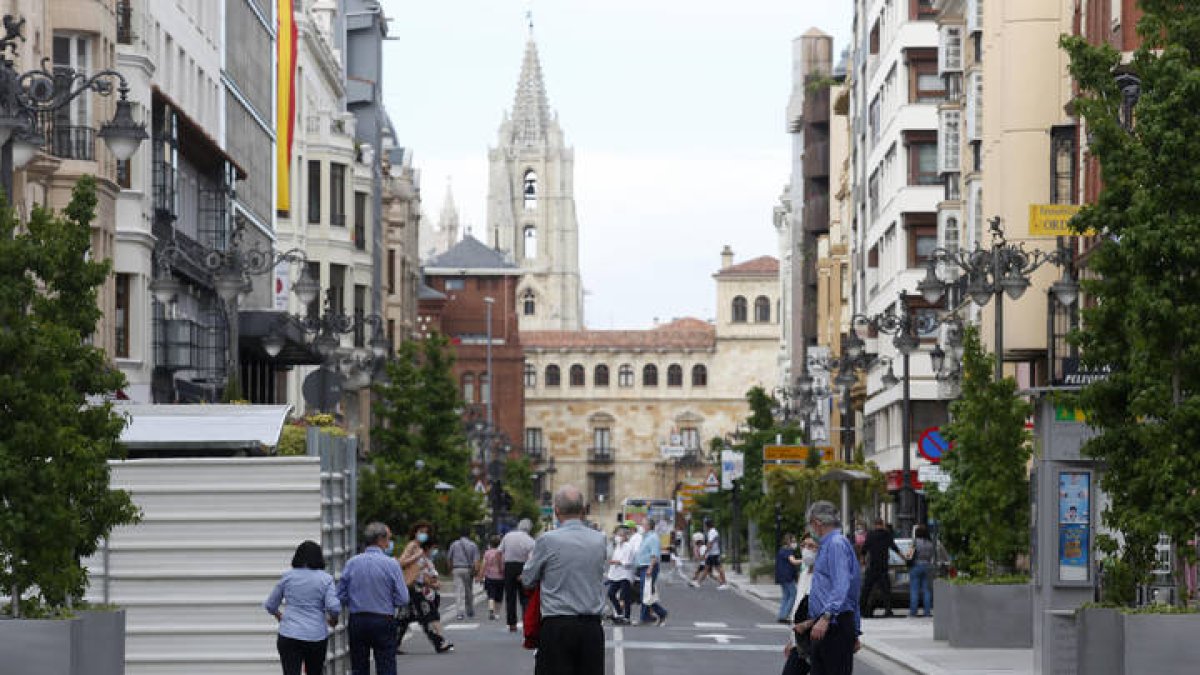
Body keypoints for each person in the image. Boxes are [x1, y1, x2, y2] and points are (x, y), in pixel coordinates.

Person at [521, 485, 607, 675]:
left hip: (557, 626)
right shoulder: (599, 540)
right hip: (591, 627)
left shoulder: (547, 540)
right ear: (583, 511)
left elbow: (528, 579)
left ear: (556, 510)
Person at [337, 522, 409, 675]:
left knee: (359, 665)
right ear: (381, 539)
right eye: (389, 538)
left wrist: (354, 600)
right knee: (386, 664)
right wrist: (389, 600)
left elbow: (340, 595)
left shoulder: (352, 563)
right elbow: (403, 598)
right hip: (383, 619)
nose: (389, 542)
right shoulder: (391, 564)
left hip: (358, 620)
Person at [800, 501, 861, 675]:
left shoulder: (836, 544)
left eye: (810, 524)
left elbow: (842, 586)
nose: (811, 529)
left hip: (832, 625)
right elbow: (853, 589)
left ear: (817, 523)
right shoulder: (830, 544)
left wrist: (826, 617)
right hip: (826, 625)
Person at [264, 540, 341, 675]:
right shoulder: (326, 579)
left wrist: (280, 617)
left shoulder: (288, 577)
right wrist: (333, 620)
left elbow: (270, 604)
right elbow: (334, 607)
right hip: (315, 636)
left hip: (289, 634)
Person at [396, 523, 453, 654]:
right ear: (415, 532)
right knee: (426, 614)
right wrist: (417, 556)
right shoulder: (412, 546)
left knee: (404, 617)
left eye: (426, 532)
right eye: (421, 531)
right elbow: (401, 562)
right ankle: (439, 643)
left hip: (413, 585)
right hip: (413, 585)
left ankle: (393, 643)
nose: (423, 534)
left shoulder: (419, 547)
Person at [781, 535, 820, 675]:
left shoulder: (823, 577)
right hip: (800, 640)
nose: (806, 550)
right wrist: (792, 641)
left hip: (817, 638)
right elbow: (798, 607)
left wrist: (806, 625)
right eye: (803, 545)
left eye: (811, 546)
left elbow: (826, 609)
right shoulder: (803, 574)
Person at [499, 518, 537, 632]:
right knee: (525, 597)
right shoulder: (530, 540)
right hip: (523, 566)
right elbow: (532, 559)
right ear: (529, 528)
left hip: (509, 566)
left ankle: (512, 624)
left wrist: (500, 567)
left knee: (510, 597)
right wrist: (526, 573)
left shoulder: (508, 536)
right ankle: (526, 622)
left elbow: (499, 552)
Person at [858, 518, 901, 618]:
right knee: (886, 590)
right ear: (882, 524)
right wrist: (904, 557)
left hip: (873, 566)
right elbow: (894, 547)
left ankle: (861, 609)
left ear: (874, 524)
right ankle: (888, 609)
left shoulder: (870, 535)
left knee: (866, 589)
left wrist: (862, 560)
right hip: (883, 566)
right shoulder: (886, 535)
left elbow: (864, 549)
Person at [638, 519, 669, 626]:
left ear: (648, 526)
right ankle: (646, 617)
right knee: (646, 593)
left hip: (649, 567)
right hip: (643, 567)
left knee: (645, 593)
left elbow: (654, 554)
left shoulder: (653, 538)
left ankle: (660, 613)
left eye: (643, 524)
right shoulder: (646, 537)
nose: (642, 526)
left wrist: (650, 568)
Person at [447, 529, 480, 620]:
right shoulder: (473, 545)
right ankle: (469, 611)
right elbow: (476, 561)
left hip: (456, 569)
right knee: (468, 591)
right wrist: (476, 573)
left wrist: (450, 570)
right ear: (469, 535)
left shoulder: (454, 544)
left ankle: (459, 613)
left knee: (458, 591)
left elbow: (449, 558)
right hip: (468, 569)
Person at [606, 524, 634, 624]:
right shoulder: (617, 546)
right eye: (617, 534)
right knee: (611, 593)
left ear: (625, 536)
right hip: (616, 575)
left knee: (625, 597)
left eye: (620, 535)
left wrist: (617, 562)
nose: (618, 537)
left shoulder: (628, 547)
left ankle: (626, 617)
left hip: (625, 575)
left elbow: (627, 562)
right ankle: (619, 612)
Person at [690, 518, 729, 589]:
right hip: (712, 553)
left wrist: (705, 553)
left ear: (707, 525)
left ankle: (724, 583)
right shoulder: (713, 531)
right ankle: (698, 583)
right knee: (706, 569)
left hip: (713, 554)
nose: (705, 527)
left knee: (719, 568)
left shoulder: (712, 532)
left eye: (705, 525)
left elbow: (710, 543)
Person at [906, 525, 935, 617]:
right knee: (927, 590)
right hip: (927, 566)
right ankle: (927, 612)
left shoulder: (915, 542)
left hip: (916, 566)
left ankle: (913, 612)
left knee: (914, 590)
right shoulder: (930, 543)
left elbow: (909, 555)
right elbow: (932, 556)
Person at [776, 533, 802, 623]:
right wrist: (805, 560)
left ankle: (781, 615)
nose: (795, 543)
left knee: (786, 596)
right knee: (793, 594)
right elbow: (793, 561)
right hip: (787, 577)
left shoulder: (781, 550)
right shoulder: (788, 551)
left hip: (781, 576)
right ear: (789, 542)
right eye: (794, 541)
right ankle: (784, 616)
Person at [479, 534, 505, 621]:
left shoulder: (487, 553)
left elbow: (483, 565)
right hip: (501, 577)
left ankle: (491, 611)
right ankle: (497, 613)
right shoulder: (502, 553)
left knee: (491, 595)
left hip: (489, 577)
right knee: (499, 597)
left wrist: (480, 576)